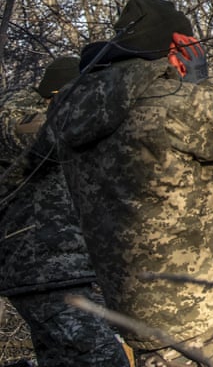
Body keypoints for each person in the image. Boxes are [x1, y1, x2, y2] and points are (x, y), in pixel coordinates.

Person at [40, 0, 213, 367]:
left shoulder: (74, 114)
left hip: (145, 325)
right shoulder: (172, 102)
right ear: (179, 44)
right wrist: (200, 81)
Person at [0, 56, 132, 367]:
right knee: (104, 360)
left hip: (66, 269)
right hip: (39, 266)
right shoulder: (15, 114)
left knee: (62, 360)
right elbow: (40, 134)